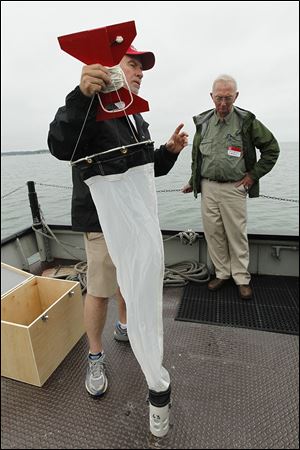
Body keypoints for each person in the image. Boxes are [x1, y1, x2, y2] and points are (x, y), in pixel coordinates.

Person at [48, 44, 188, 436]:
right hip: (100, 219)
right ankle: (95, 356)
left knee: (134, 276)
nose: (140, 72)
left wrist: (170, 153)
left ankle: (124, 326)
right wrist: (80, 95)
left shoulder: (134, 116)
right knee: (101, 287)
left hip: (136, 218)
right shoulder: (88, 104)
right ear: (109, 66)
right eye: (133, 64)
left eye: (143, 68)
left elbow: (145, 169)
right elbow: (59, 145)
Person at [182, 74, 279, 300]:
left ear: (236, 96)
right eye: (218, 98)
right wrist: (192, 181)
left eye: (228, 98)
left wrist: (253, 176)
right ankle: (223, 273)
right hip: (208, 188)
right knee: (214, 234)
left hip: (235, 188)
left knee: (236, 235)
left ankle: (242, 278)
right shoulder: (203, 122)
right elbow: (199, 157)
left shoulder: (247, 121)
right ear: (211, 96)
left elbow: (272, 149)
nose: (223, 104)